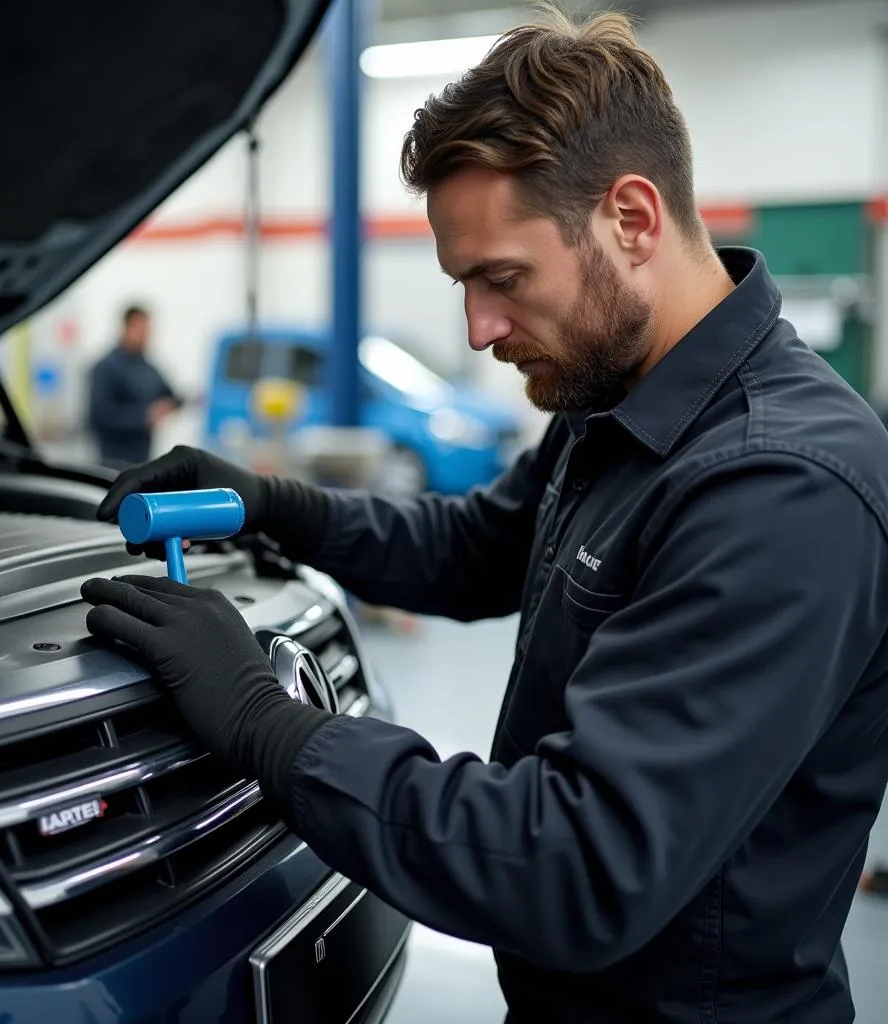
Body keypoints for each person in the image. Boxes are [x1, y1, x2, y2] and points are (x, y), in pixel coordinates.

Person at [81, 7, 888, 1022]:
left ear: (631, 219)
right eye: (464, 283)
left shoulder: (780, 485)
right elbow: (472, 548)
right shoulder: (617, 399)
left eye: (501, 279)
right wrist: (267, 502)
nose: (478, 327)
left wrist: (263, 721)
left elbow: (573, 861)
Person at [88, 304, 181, 466]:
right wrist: (144, 417)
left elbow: (170, 395)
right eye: (142, 329)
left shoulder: (147, 367)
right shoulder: (106, 368)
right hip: (113, 462)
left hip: (143, 460)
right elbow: (98, 417)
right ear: (127, 327)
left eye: (149, 330)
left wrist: (179, 403)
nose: (147, 335)